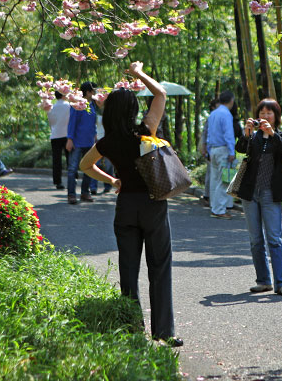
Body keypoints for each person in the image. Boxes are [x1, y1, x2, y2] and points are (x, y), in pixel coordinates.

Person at [79, 61, 182, 347]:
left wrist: (113, 180)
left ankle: (130, 329)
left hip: (125, 207)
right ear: (134, 110)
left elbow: (85, 165)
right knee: (159, 267)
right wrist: (138, 73)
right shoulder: (145, 130)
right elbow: (160, 94)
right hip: (152, 205)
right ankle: (163, 332)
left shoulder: (107, 141)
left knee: (128, 269)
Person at [235, 98, 282, 296]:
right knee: (255, 239)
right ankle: (263, 280)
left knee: (275, 239)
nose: (265, 116)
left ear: (276, 116)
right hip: (250, 193)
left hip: (271, 193)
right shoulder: (254, 136)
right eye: (262, 113)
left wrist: (271, 133)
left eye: (269, 113)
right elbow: (241, 149)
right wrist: (246, 133)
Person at [205, 91, 237, 219]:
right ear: (231, 101)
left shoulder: (213, 113)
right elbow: (228, 134)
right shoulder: (226, 114)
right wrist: (231, 151)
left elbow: (209, 133)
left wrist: (208, 150)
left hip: (213, 150)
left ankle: (215, 207)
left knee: (215, 179)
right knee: (223, 180)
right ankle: (219, 210)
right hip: (223, 149)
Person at [66, 81, 98, 204]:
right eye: (93, 90)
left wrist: (95, 137)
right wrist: (69, 139)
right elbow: (72, 122)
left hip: (89, 142)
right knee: (72, 169)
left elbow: (92, 123)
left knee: (89, 168)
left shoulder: (92, 105)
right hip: (77, 142)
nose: (94, 93)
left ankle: (85, 193)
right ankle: (71, 195)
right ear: (88, 92)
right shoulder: (76, 104)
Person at [197, 97, 220, 207]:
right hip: (210, 149)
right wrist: (205, 148)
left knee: (211, 173)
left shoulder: (215, 117)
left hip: (212, 149)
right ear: (212, 107)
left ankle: (209, 196)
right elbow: (205, 133)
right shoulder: (211, 118)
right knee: (211, 174)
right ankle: (208, 196)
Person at [48, 90, 70, 190]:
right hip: (67, 135)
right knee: (70, 158)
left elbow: (51, 122)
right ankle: (72, 178)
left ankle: (58, 182)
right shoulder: (69, 105)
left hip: (55, 135)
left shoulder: (51, 107)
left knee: (56, 160)